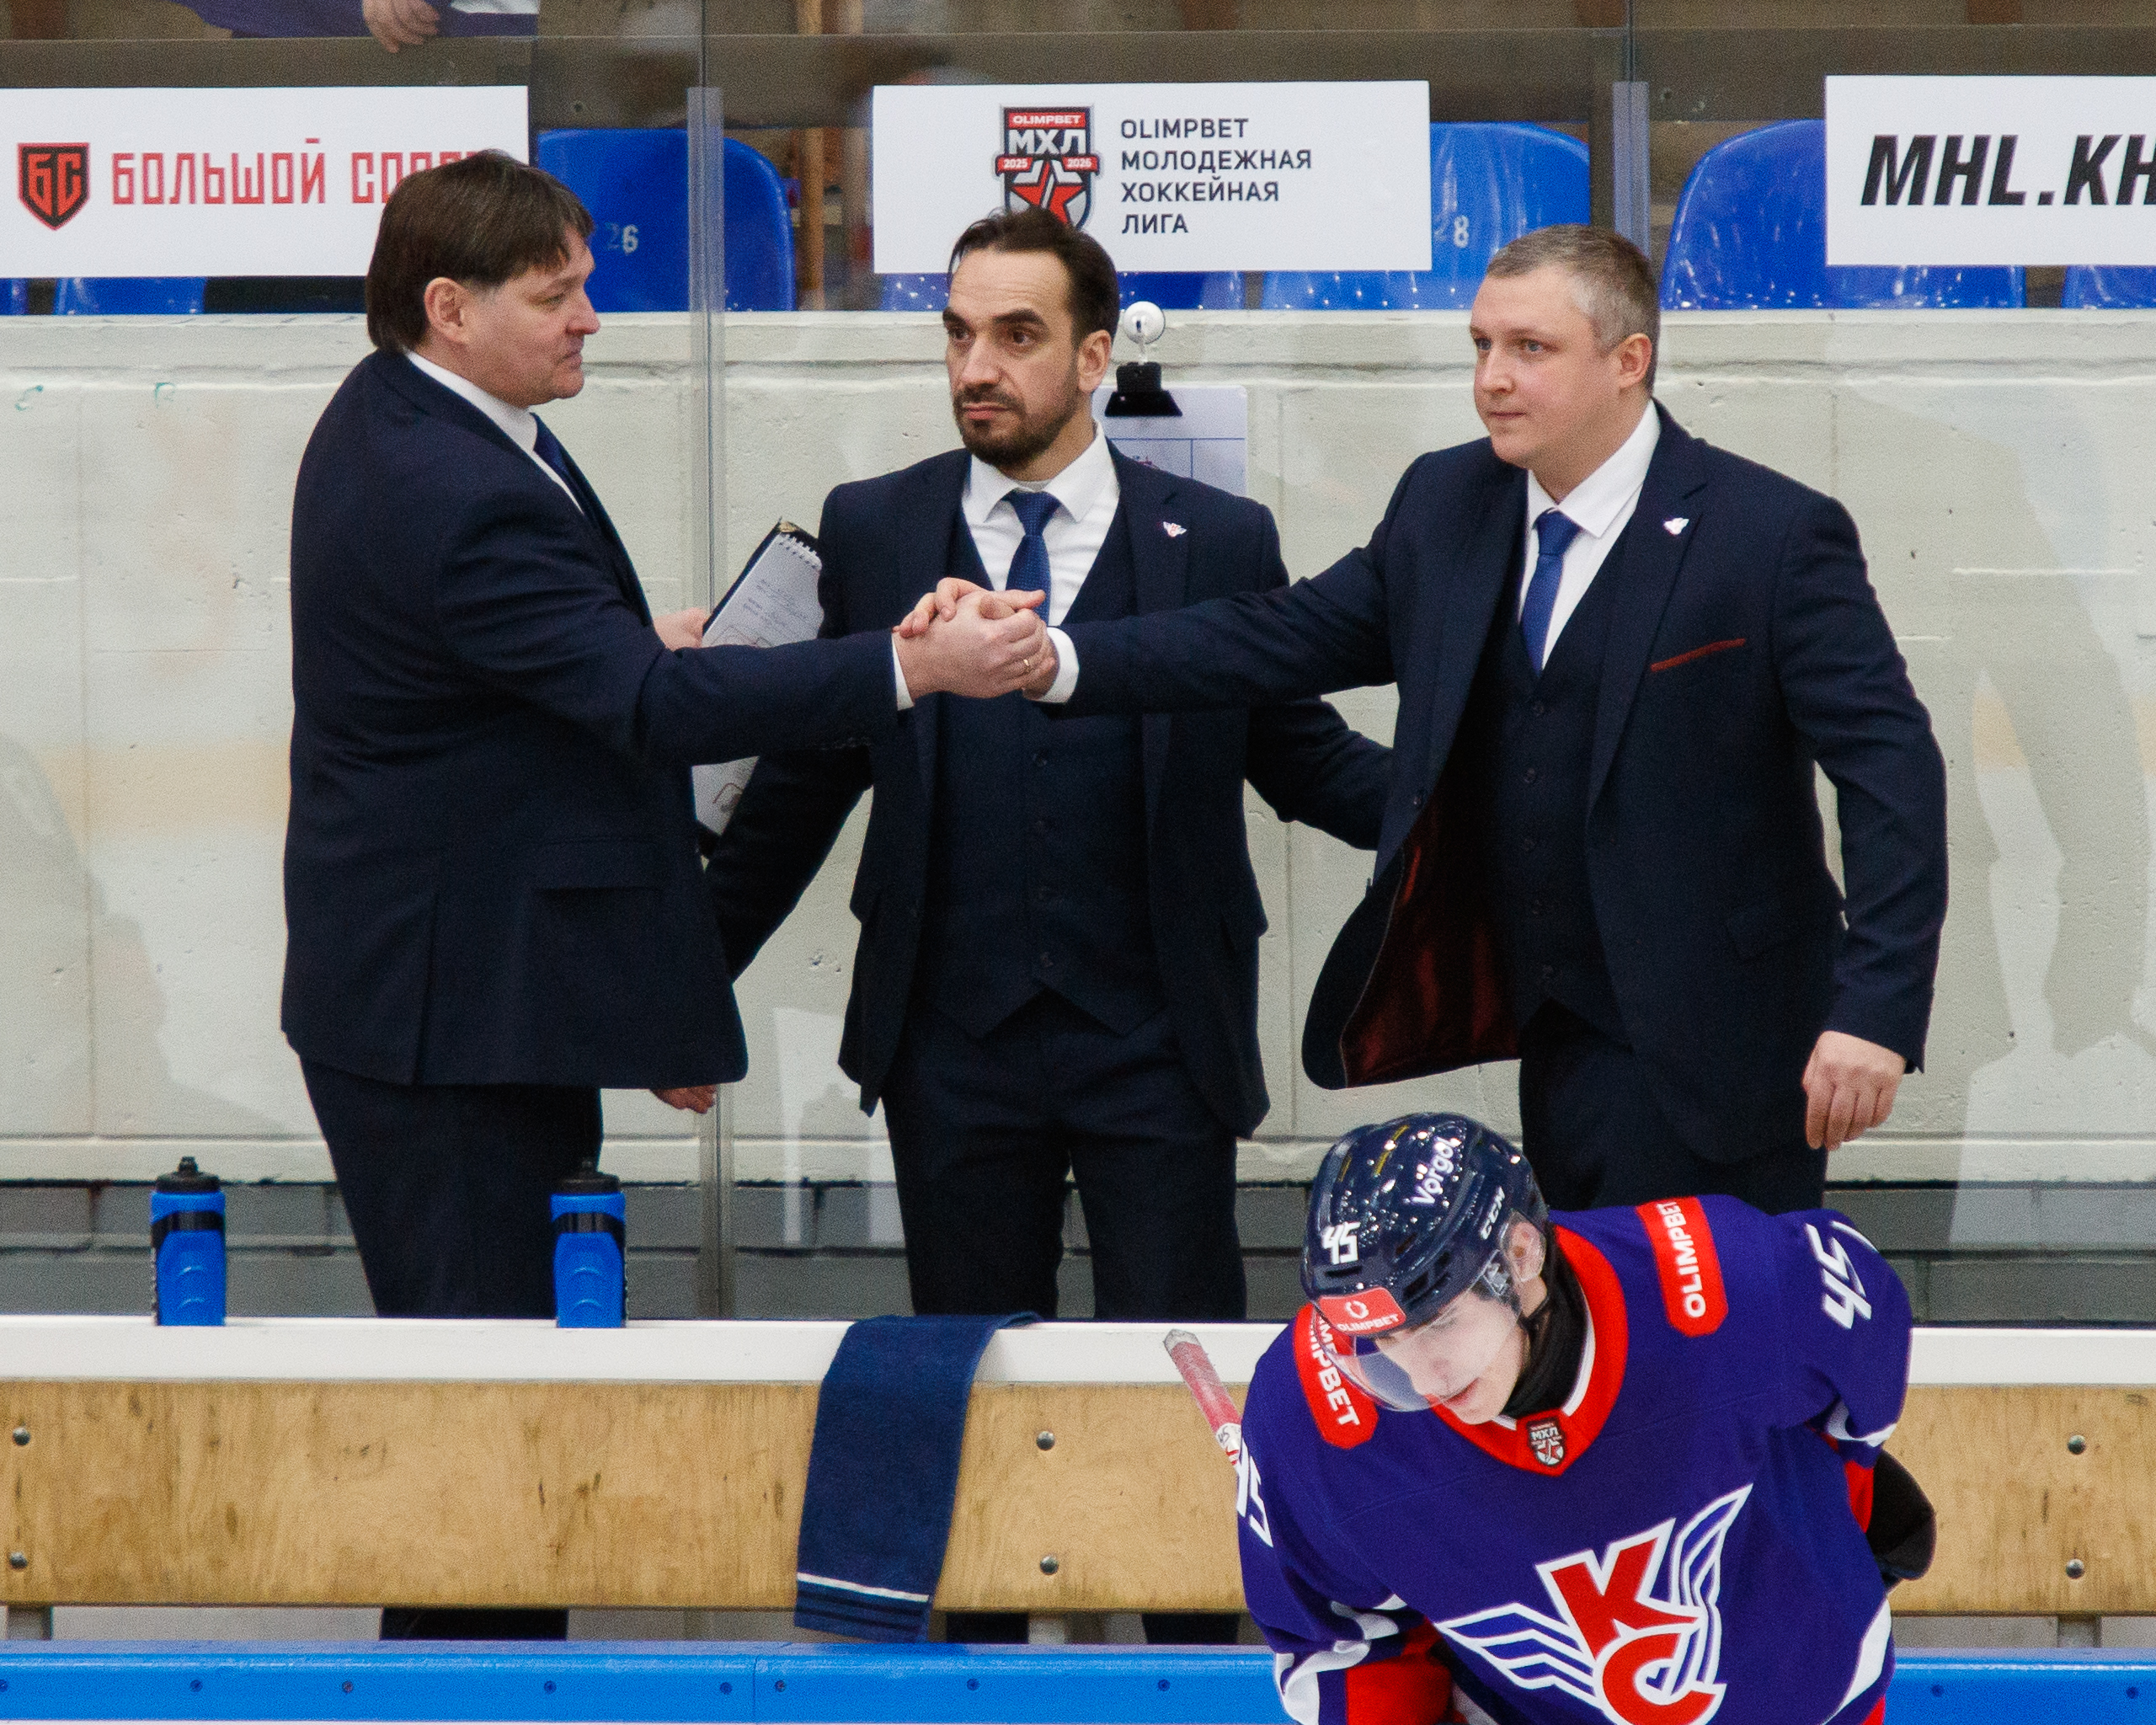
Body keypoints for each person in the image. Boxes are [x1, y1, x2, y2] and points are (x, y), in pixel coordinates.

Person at [281, 152, 1042, 1637]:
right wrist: (910, 666)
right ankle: (475, 1690)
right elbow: (639, 710)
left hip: (473, 1005)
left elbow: (537, 679)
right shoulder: (450, 482)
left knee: (510, 1420)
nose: (592, 319)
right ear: (449, 307)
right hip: (449, 1036)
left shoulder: (424, 419)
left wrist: (639, 644)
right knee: (489, 1441)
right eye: (555, 295)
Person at [912, 223, 1948, 1214]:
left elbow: (1891, 768)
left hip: (1732, 1046)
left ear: (1628, 361)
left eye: (1530, 348)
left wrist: (1874, 1009)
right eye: (1481, 345)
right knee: (1579, 1314)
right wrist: (1056, 656)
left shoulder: (1771, 534)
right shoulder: (1449, 501)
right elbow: (1280, 634)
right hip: (1553, 1035)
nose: (1491, 377)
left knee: (1714, 1327)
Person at [702, 206, 1389, 1641]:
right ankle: (985, 1682)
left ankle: (1201, 1669)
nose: (979, 366)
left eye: (1017, 335)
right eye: (960, 332)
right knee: (969, 1398)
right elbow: (802, 786)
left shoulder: (1218, 538)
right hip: (952, 1041)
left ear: (1092, 357)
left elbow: (1303, 756)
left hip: (1161, 1040)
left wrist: (1485, 831)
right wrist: (687, 989)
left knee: (1185, 1389)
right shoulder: (875, 526)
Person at [1234, 1111, 1928, 1725]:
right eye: (1383, 1341)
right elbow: (1335, 1639)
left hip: (1810, 1701)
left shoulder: (1724, 1282)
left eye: (1440, 1323)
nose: (1422, 1379)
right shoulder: (1310, 1417)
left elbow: (1870, 1338)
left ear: (1520, 1255)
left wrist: (1843, 1493)